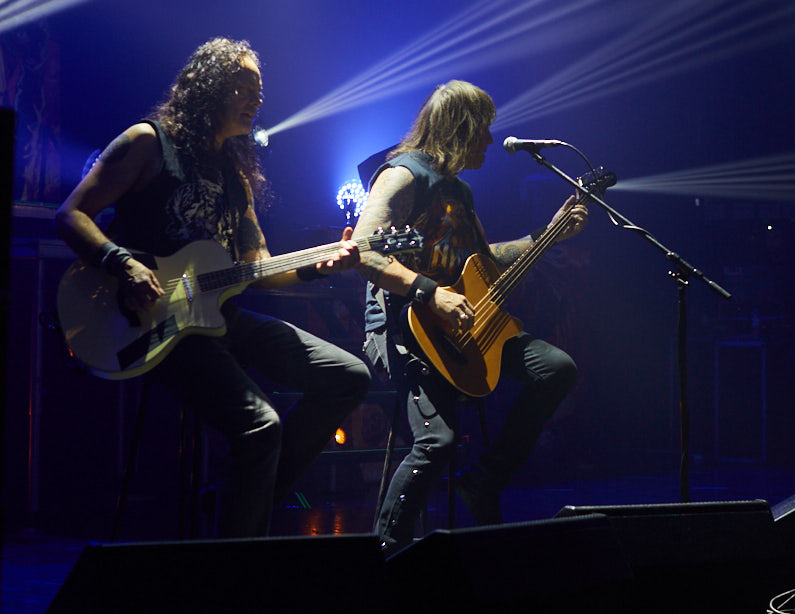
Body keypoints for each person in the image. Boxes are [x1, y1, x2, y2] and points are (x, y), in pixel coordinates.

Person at [55, 37, 371, 538]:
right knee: (260, 426)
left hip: (218, 317)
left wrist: (321, 266)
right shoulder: (148, 143)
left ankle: (233, 497)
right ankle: (234, 563)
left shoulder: (234, 176)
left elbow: (259, 266)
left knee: (348, 376)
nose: (258, 100)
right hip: (151, 324)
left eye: (260, 91)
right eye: (245, 88)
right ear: (209, 87)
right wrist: (124, 265)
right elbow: (71, 214)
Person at [354, 80, 588, 552]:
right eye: (483, 129)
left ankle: (484, 480)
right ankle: (385, 553)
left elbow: (486, 261)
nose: (489, 140)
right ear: (460, 128)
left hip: (462, 325)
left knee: (556, 368)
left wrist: (548, 235)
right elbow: (362, 250)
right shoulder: (403, 175)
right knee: (437, 441)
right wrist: (430, 293)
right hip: (404, 328)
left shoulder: (460, 191)